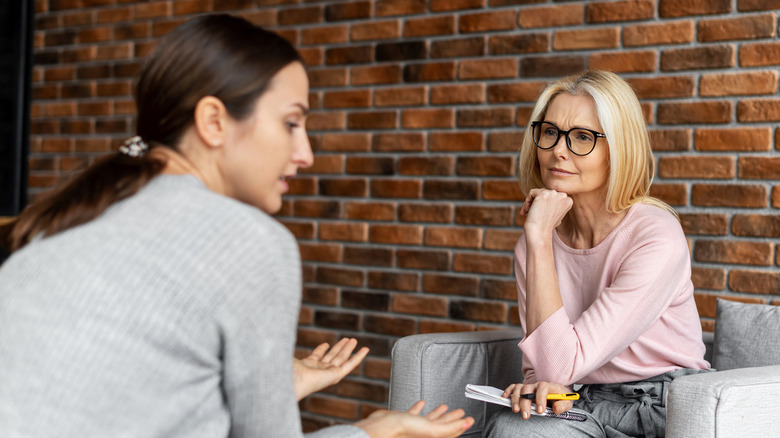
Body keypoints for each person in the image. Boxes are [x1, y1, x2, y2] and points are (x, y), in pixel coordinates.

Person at [0, 14, 474, 438]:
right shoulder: (251, 243)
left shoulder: (69, 218)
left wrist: (279, 385)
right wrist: (372, 431)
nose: (306, 154)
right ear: (213, 121)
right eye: (292, 123)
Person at [483, 70, 710, 438]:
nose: (559, 149)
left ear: (618, 149)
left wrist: (539, 236)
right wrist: (536, 389)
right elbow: (544, 368)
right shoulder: (535, 241)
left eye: (583, 137)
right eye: (550, 132)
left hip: (657, 407)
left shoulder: (655, 235)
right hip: (578, 399)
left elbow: (562, 365)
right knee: (513, 429)